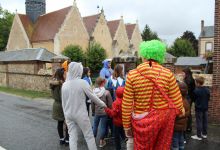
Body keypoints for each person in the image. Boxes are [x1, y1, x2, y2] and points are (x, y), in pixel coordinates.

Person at [122, 40, 185, 150]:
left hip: (142, 121)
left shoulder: (132, 75)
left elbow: (127, 104)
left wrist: (127, 126)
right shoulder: (168, 74)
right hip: (163, 120)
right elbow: (178, 102)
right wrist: (179, 112)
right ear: (160, 55)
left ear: (144, 55)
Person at [61, 62, 107, 150]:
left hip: (68, 114)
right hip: (80, 114)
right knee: (89, 136)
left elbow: (63, 102)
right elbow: (93, 97)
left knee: (72, 137)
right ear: (78, 71)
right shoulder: (82, 83)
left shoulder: (64, 85)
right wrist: (103, 104)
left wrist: (65, 117)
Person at [50, 68, 69, 145]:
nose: (66, 75)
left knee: (60, 123)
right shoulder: (62, 84)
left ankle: (61, 139)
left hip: (56, 105)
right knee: (67, 123)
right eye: (65, 74)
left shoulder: (53, 83)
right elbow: (63, 97)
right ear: (62, 75)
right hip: (63, 105)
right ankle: (67, 140)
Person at [92, 77, 113, 148]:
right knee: (103, 126)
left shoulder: (93, 92)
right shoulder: (106, 92)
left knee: (95, 125)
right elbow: (110, 104)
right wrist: (110, 111)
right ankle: (101, 142)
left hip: (97, 112)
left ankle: (93, 140)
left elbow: (92, 103)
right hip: (104, 112)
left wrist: (93, 111)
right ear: (103, 83)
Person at [171, 81, 190, 150]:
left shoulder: (178, 101)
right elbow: (188, 112)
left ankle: (175, 148)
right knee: (181, 137)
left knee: (175, 138)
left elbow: (177, 114)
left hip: (176, 125)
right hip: (183, 124)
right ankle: (181, 147)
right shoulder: (186, 100)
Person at [191, 76, 210, 141]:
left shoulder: (196, 91)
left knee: (199, 121)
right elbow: (208, 99)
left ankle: (198, 136)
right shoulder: (207, 90)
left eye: (196, 82)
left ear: (198, 83)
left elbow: (193, 99)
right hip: (205, 108)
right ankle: (204, 134)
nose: (195, 83)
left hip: (199, 108)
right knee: (205, 121)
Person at [182, 67, 196, 133]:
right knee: (188, 112)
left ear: (186, 73)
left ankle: (187, 127)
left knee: (187, 112)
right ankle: (188, 127)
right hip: (190, 97)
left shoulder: (188, 80)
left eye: (183, 73)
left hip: (188, 97)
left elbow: (186, 90)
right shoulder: (191, 79)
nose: (182, 74)